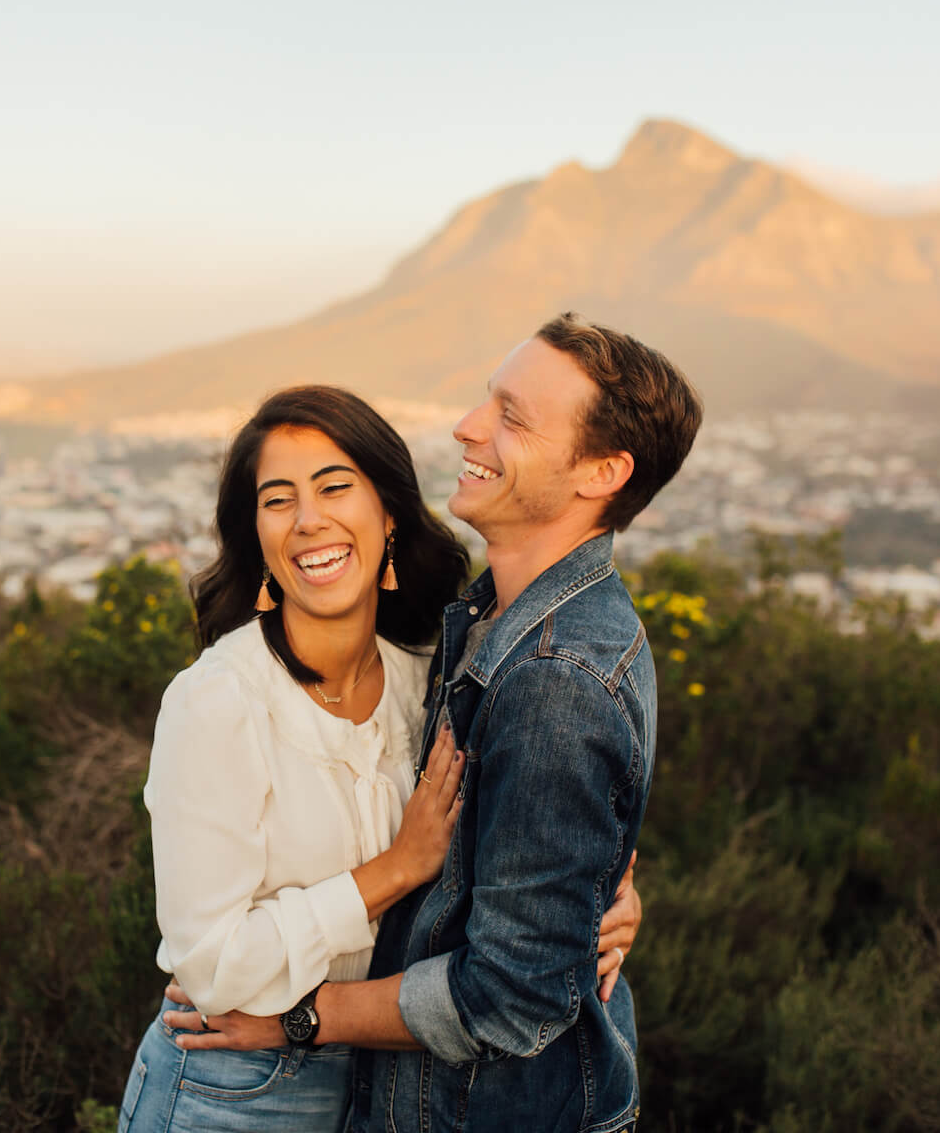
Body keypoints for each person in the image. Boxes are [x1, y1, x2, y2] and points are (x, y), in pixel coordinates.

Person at [162, 314, 702, 1133]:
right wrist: (571, 902)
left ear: (603, 471)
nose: (467, 427)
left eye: (512, 415)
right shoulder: (475, 633)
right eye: (279, 500)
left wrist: (304, 1018)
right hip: (242, 1088)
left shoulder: (550, 673)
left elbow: (513, 995)